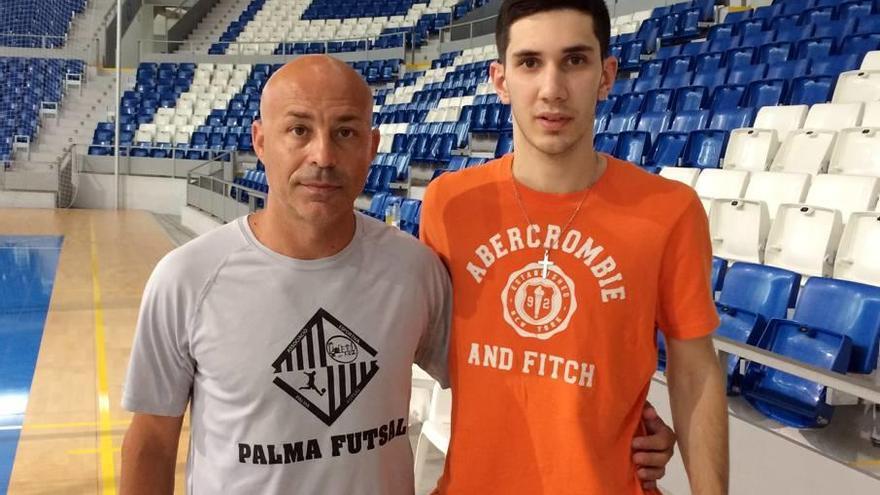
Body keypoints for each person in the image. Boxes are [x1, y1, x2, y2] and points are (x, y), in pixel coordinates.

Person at [119, 55, 676, 495]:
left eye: (345, 132)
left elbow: (506, 381)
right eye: (298, 131)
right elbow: (150, 443)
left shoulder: (413, 268)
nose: (322, 156)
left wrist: (630, 425)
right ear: (261, 142)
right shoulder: (187, 279)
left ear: (372, 147)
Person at [419, 1, 729, 494]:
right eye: (529, 62)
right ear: (500, 80)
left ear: (606, 75)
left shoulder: (668, 210)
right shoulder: (450, 204)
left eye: (575, 61)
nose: (552, 89)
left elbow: (695, 369)